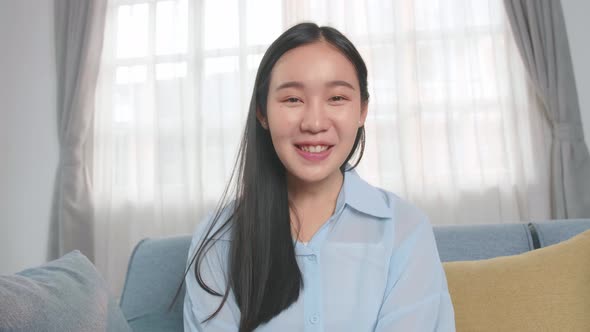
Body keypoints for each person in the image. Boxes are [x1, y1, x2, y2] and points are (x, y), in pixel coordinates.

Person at [183, 22, 455, 332]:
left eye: (337, 98)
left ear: (363, 111)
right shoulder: (218, 238)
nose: (314, 123)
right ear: (262, 113)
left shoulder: (404, 229)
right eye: (293, 100)